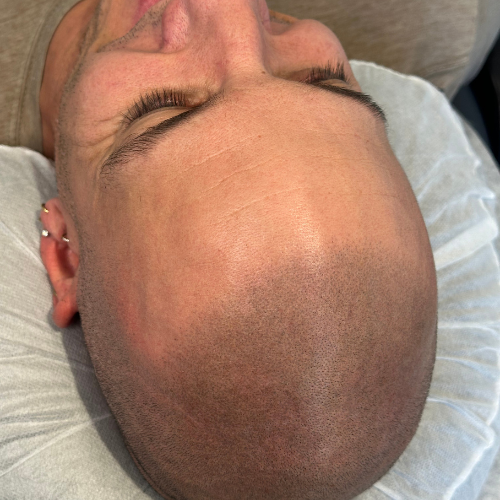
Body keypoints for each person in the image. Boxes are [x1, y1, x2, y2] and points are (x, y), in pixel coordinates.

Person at [8, 0, 500, 498]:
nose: (232, 7)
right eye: (321, 81)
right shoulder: (445, 22)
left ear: (67, 249)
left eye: (161, 108)